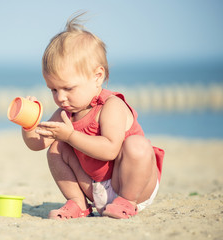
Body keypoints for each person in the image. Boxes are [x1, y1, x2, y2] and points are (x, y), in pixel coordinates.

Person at [21, 12, 164, 219]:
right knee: (56, 149)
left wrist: (70, 136)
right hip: (96, 188)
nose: (60, 97)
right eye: (53, 90)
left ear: (97, 77)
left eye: (68, 88)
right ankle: (78, 203)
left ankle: (127, 202)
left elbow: (110, 150)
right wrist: (28, 125)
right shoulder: (66, 112)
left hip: (132, 184)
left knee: (138, 145)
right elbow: (37, 144)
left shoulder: (110, 106)